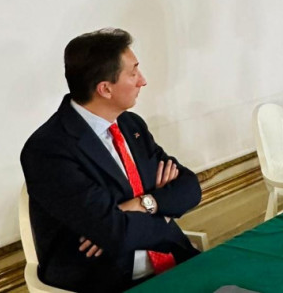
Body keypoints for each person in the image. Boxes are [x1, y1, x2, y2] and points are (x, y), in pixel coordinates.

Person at [20, 28, 201, 292]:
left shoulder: (131, 125)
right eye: (133, 73)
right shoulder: (48, 150)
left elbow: (189, 187)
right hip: (107, 279)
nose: (143, 81)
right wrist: (163, 211)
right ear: (105, 89)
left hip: (172, 258)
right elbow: (117, 233)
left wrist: (143, 204)